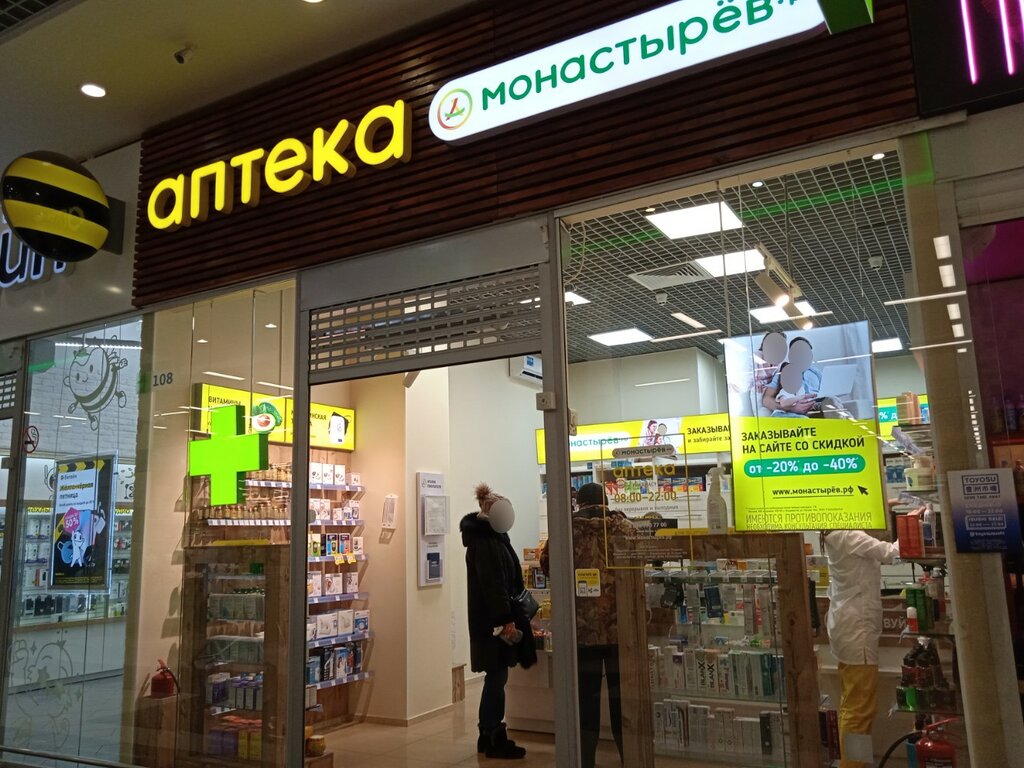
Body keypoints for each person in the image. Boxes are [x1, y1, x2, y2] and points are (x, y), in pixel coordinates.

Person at [540, 483, 633, 768]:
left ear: (579, 503)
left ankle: (585, 761)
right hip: (621, 630)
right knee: (623, 701)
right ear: (605, 501)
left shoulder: (566, 531)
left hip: (581, 629)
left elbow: (547, 566)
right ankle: (629, 759)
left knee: (585, 701)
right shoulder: (625, 528)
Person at [460, 483, 536, 760]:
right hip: (493, 624)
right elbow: (494, 585)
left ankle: (487, 733)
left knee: (496, 676)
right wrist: (505, 620)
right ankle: (493, 735)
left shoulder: (490, 538)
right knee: (497, 677)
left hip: (489, 621)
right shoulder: (487, 542)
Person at [821, 529, 899, 768]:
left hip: (847, 629)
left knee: (852, 707)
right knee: (860, 711)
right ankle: (852, 765)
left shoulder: (836, 536)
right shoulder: (851, 536)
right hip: (858, 633)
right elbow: (892, 553)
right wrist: (913, 523)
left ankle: (855, 763)